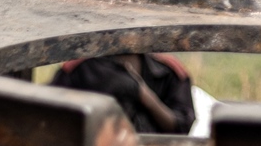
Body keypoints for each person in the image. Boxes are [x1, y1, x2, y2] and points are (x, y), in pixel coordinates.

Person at [51, 53, 195, 134]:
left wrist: (145, 95)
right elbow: (50, 113)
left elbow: (182, 126)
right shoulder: (82, 68)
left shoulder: (168, 71)